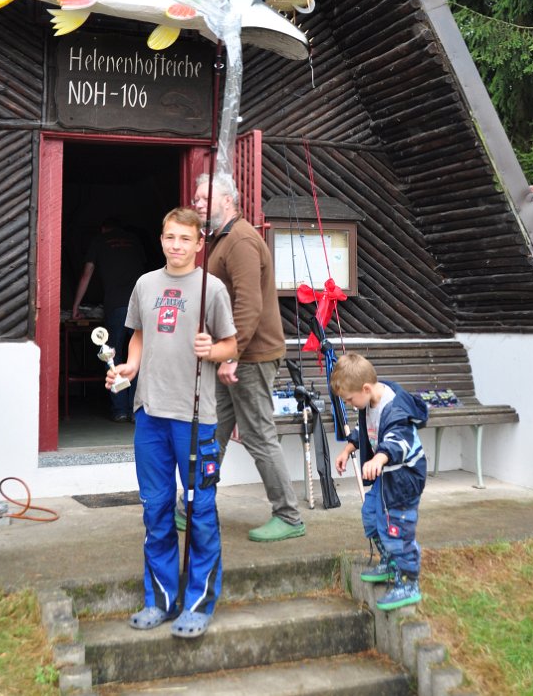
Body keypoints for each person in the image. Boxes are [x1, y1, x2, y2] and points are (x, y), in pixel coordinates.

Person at [105, 207, 236, 639]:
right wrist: (129, 367)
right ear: (161, 239)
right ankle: (159, 599)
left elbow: (232, 345)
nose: (176, 245)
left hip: (194, 419)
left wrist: (212, 350)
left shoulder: (212, 288)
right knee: (155, 509)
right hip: (149, 413)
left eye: (185, 238)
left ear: (199, 244)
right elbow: (139, 334)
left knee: (199, 511)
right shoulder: (145, 284)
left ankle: (198, 603)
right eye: (169, 237)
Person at [192, 173, 305, 542]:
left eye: (204, 198)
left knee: (258, 435)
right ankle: (194, 506)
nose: (197, 204)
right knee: (213, 431)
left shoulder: (240, 240)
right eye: (195, 199)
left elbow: (248, 304)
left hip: (249, 358)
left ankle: (289, 516)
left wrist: (232, 354)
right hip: (233, 355)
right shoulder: (222, 239)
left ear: (228, 200)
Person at [332, 352, 428, 609]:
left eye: (350, 399)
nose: (351, 404)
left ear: (365, 388)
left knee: (397, 529)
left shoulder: (395, 408)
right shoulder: (368, 402)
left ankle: (408, 583)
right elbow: (364, 430)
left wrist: (379, 458)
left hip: (404, 478)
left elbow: (397, 441)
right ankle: (389, 562)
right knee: (371, 516)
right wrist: (347, 450)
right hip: (386, 475)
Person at [71, 218, 147, 421]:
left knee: (112, 355)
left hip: (116, 305)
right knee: (137, 356)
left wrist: (76, 306)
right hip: (140, 303)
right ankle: (135, 409)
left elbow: (87, 274)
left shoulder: (98, 241)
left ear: (103, 228)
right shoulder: (134, 240)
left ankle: (120, 410)